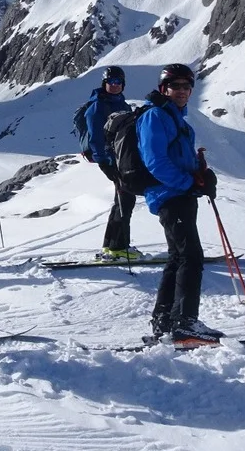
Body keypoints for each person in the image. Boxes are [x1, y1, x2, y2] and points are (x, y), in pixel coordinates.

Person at [138, 63, 221, 343]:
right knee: (191, 256)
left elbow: (177, 160)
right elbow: (155, 162)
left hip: (179, 195)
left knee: (178, 257)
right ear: (165, 89)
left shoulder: (177, 120)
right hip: (169, 195)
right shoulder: (156, 117)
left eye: (187, 87)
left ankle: (165, 320)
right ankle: (185, 323)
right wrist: (190, 183)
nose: (182, 91)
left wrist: (200, 173)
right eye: (176, 86)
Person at [84, 66, 142, 261]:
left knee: (122, 200)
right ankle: (119, 247)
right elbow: (95, 138)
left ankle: (111, 246)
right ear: (105, 83)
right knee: (126, 199)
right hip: (112, 161)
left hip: (123, 158)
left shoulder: (122, 104)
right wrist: (105, 163)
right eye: (111, 82)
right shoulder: (97, 107)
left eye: (118, 82)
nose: (115, 86)